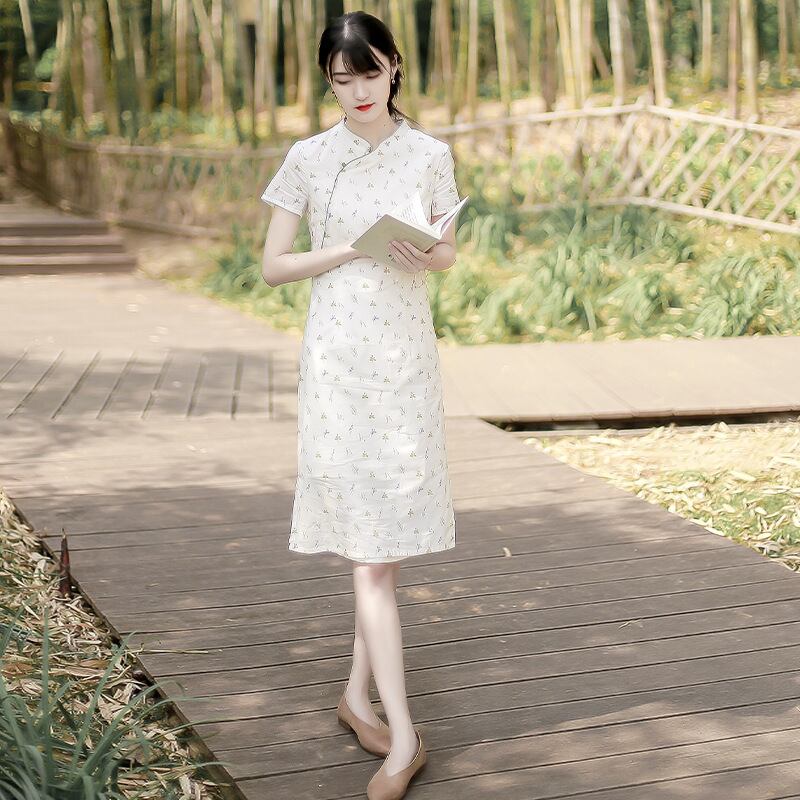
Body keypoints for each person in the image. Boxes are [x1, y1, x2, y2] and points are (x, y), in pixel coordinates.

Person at [259, 10, 461, 800]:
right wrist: (354, 245)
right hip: (339, 366)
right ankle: (404, 738)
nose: (358, 92)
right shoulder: (309, 158)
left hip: (406, 363)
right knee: (370, 555)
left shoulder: (429, 154)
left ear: (395, 66)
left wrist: (422, 251)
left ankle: (354, 696)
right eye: (342, 80)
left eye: (370, 74)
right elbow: (274, 266)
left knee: (384, 545)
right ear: (329, 82)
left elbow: (447, 252)